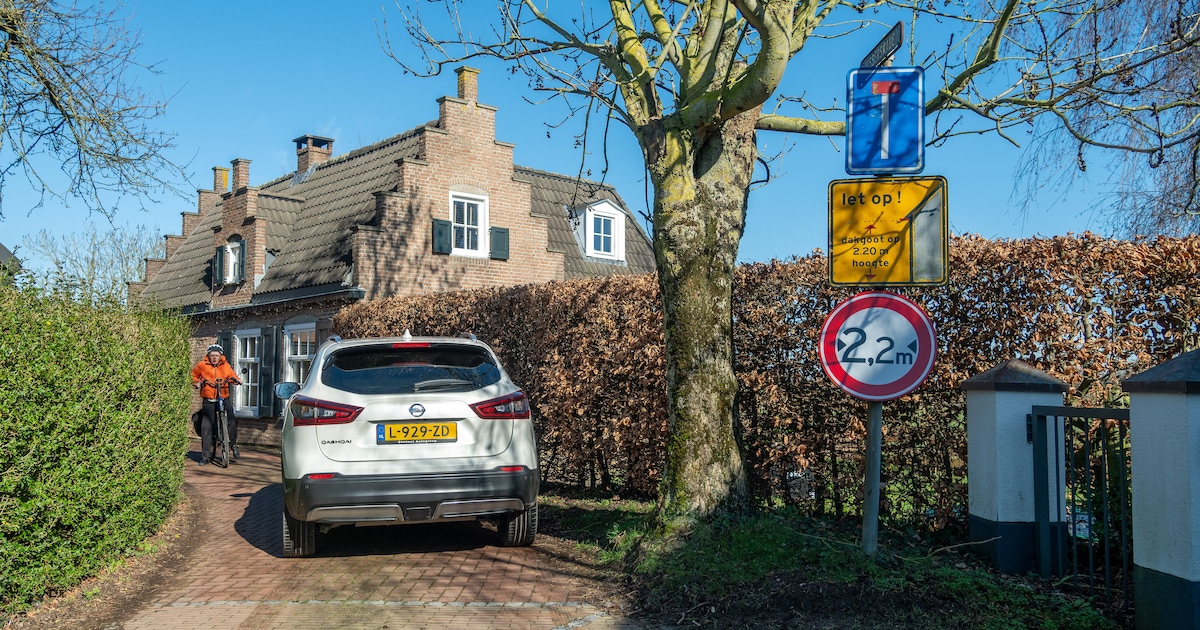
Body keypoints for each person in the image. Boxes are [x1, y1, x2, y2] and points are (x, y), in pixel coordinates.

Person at [190, 344, 243, 465]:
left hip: (223, 397)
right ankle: (205, 457)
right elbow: (193, 375)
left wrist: (237, 379)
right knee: (206, 427)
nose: (214, 358)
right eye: (212, 355)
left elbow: (231, 375)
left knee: (232, 421)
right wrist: (198, 382)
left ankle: (233, 445)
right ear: (208, 356)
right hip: (209, 399)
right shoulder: (202, 365)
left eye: (216, 355)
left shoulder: (225, 365)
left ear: (220, 356)